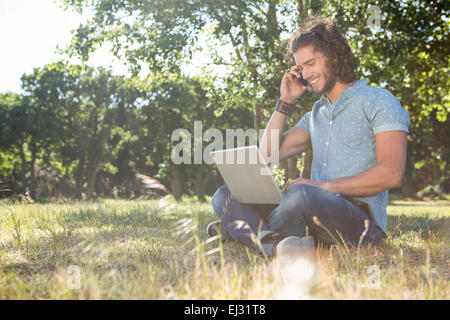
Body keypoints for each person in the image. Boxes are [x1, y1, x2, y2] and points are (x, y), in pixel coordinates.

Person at [208, 16, 410, 258]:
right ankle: (273, 245)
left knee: (302, 195)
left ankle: (241, 229)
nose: (305, 74)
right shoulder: (316, 114)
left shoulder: (379, 100)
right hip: (309, 214)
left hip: (360, 224)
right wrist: (285, 101)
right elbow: (268, 155)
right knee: (226, 194)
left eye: (311, 63)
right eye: (300, 67)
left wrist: (321, 187)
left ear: (334, 56)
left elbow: (391, 173)